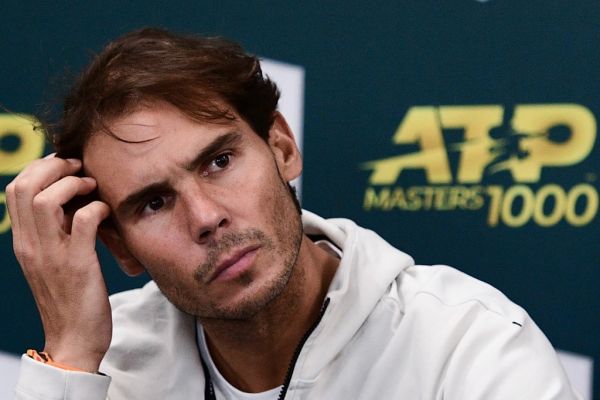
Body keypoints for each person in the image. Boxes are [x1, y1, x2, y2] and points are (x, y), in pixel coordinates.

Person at [7, 28, 581, 400]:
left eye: (219, 161)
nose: (206, 217)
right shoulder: (103, 372)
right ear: (122, 247)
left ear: (281, 147)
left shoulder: (465, 345)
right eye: (154, 203)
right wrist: (73, 357)